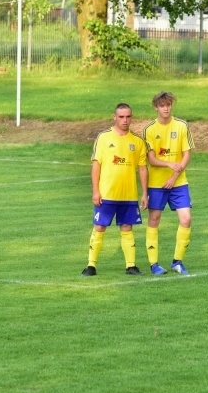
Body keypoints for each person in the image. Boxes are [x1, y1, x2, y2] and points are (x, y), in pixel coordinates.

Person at [82, 103, 149, 276]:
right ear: (115, 117)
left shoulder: (137, 141)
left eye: (128, 117)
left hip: (128, 195)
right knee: (99, 227)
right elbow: (96, 165)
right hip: (107, 194)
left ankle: (131, 266)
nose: (125, 120)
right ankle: (91, 266)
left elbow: (142, 168)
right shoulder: (103, 138)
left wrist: (145, 194)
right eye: (121, 117)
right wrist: (96, 191)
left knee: (127, 227)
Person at [142, 91, 194, 275]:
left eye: (168, 105)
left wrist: (174, 176)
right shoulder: (149, 130)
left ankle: (177, 262)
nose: (166, 108)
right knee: (154, 219)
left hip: (179, 183)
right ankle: (154, 264)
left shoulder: (181, 126)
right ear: (156, 107)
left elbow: (187, 153)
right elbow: (152, 159)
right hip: (157, 184)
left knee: (186, 219)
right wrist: (169, 164)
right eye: (162, 105)